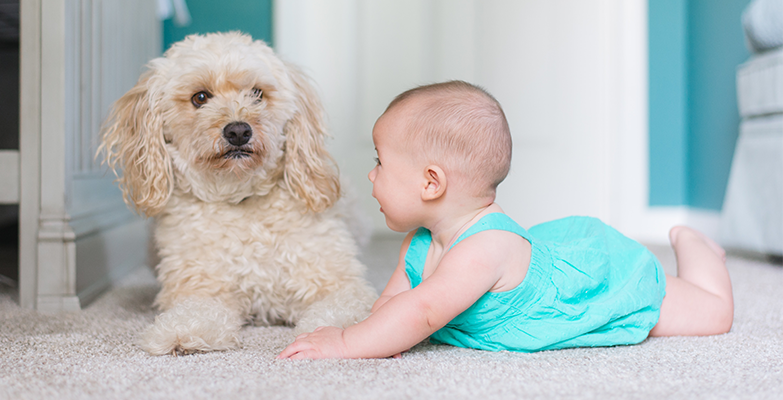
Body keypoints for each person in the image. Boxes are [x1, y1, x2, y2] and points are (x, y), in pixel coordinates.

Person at [277, 80, 734, 359]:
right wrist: (374, 335)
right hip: (543, 255)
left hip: (596, 280)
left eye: (381, 163)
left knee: (714, 315)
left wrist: (344, 344)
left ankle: (695, 245)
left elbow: (422, 311)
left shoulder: (482, 250)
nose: (371, 174)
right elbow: (395, 306)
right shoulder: (419, 242)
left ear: (431, 183)